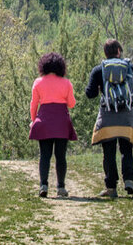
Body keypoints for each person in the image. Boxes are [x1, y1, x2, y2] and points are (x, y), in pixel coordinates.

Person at [84, 38, 133, 198]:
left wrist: (102, 88)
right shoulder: (130, 67)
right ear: (119, 51)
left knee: (109, 153)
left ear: (105, 53)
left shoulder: (99, 70)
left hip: (107, 116)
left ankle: (111, 188)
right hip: (126, 115)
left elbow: (90, 94)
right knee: (126, 150)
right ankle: (129, 181)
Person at [29, 52, 77, 198]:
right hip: (61, 122)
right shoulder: (66, 83)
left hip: (44, 121)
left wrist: (33, 120)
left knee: (45, 155)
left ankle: (43, 185)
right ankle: (61, 187)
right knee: (60, 156)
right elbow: (72, 104)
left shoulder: (38, 82)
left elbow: (34, 104)